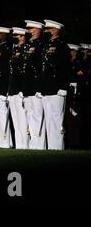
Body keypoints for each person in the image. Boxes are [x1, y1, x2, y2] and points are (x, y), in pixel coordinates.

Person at [41, 20, 70, 150]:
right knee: (48, 119)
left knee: (57, 119)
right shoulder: (47, 45)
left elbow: (65, 67)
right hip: (47, 87)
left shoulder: (62, 45)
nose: (47, 31)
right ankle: (51, 147)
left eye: (50, 29)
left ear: (57, 30)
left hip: (57, 88)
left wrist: (63, 87)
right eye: (47, 29)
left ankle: (58, 147)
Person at [22, 20, 46, 150]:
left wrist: (39, 87)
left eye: (31, 28)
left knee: (37, 115)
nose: (29, 31)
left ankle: (39, 144)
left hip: (36, 85)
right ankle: (33, 143)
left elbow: (40, 68)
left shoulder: (41, 45)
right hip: (28, 85)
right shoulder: (28, 45)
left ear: (38, 30)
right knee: (30, 114)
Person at [8, 27, 29, 149]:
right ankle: (19, 144)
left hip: (20, 88)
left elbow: (24, 72)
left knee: (22, 118)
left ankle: (24, 144)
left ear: (22, 37)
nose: (15, 37)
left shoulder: (25, 50)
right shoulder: (14, 49)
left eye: (18, 35)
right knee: (16, 119)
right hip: (12, 88)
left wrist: (22, 88)